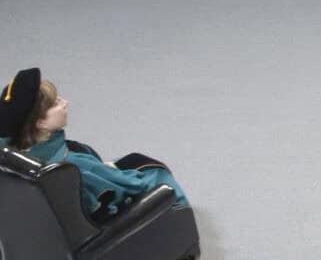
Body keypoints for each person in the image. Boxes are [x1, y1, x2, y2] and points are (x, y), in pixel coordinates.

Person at [1, 68, 187, 217]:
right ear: (40, 122)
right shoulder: (73, 166)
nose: (65, 102)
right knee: (155, 171)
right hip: (105, 219)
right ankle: (180, 220)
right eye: (55, 103)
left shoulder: (20, 157)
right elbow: (131, 186)